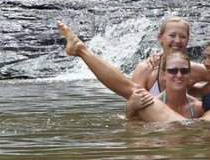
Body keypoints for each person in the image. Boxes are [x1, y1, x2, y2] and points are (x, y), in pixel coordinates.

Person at [58, 22, 201, 120]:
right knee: (137, 93)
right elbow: (132, 106)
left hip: (178, 122)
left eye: (184, 71)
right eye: (172, 71)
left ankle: (81, 50)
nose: (179, 75)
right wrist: (129, 109)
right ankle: (81, 50)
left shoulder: (196, 77)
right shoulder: (147, 69)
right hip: (157, 124)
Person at [129, 16, 207, 93]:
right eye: (172, 35)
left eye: (182, 37)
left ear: (188, 40)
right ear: (160, 37)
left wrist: (196, 92)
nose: (177, 41)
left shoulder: (193, 69)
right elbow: (134, 100)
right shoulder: (145, 69)